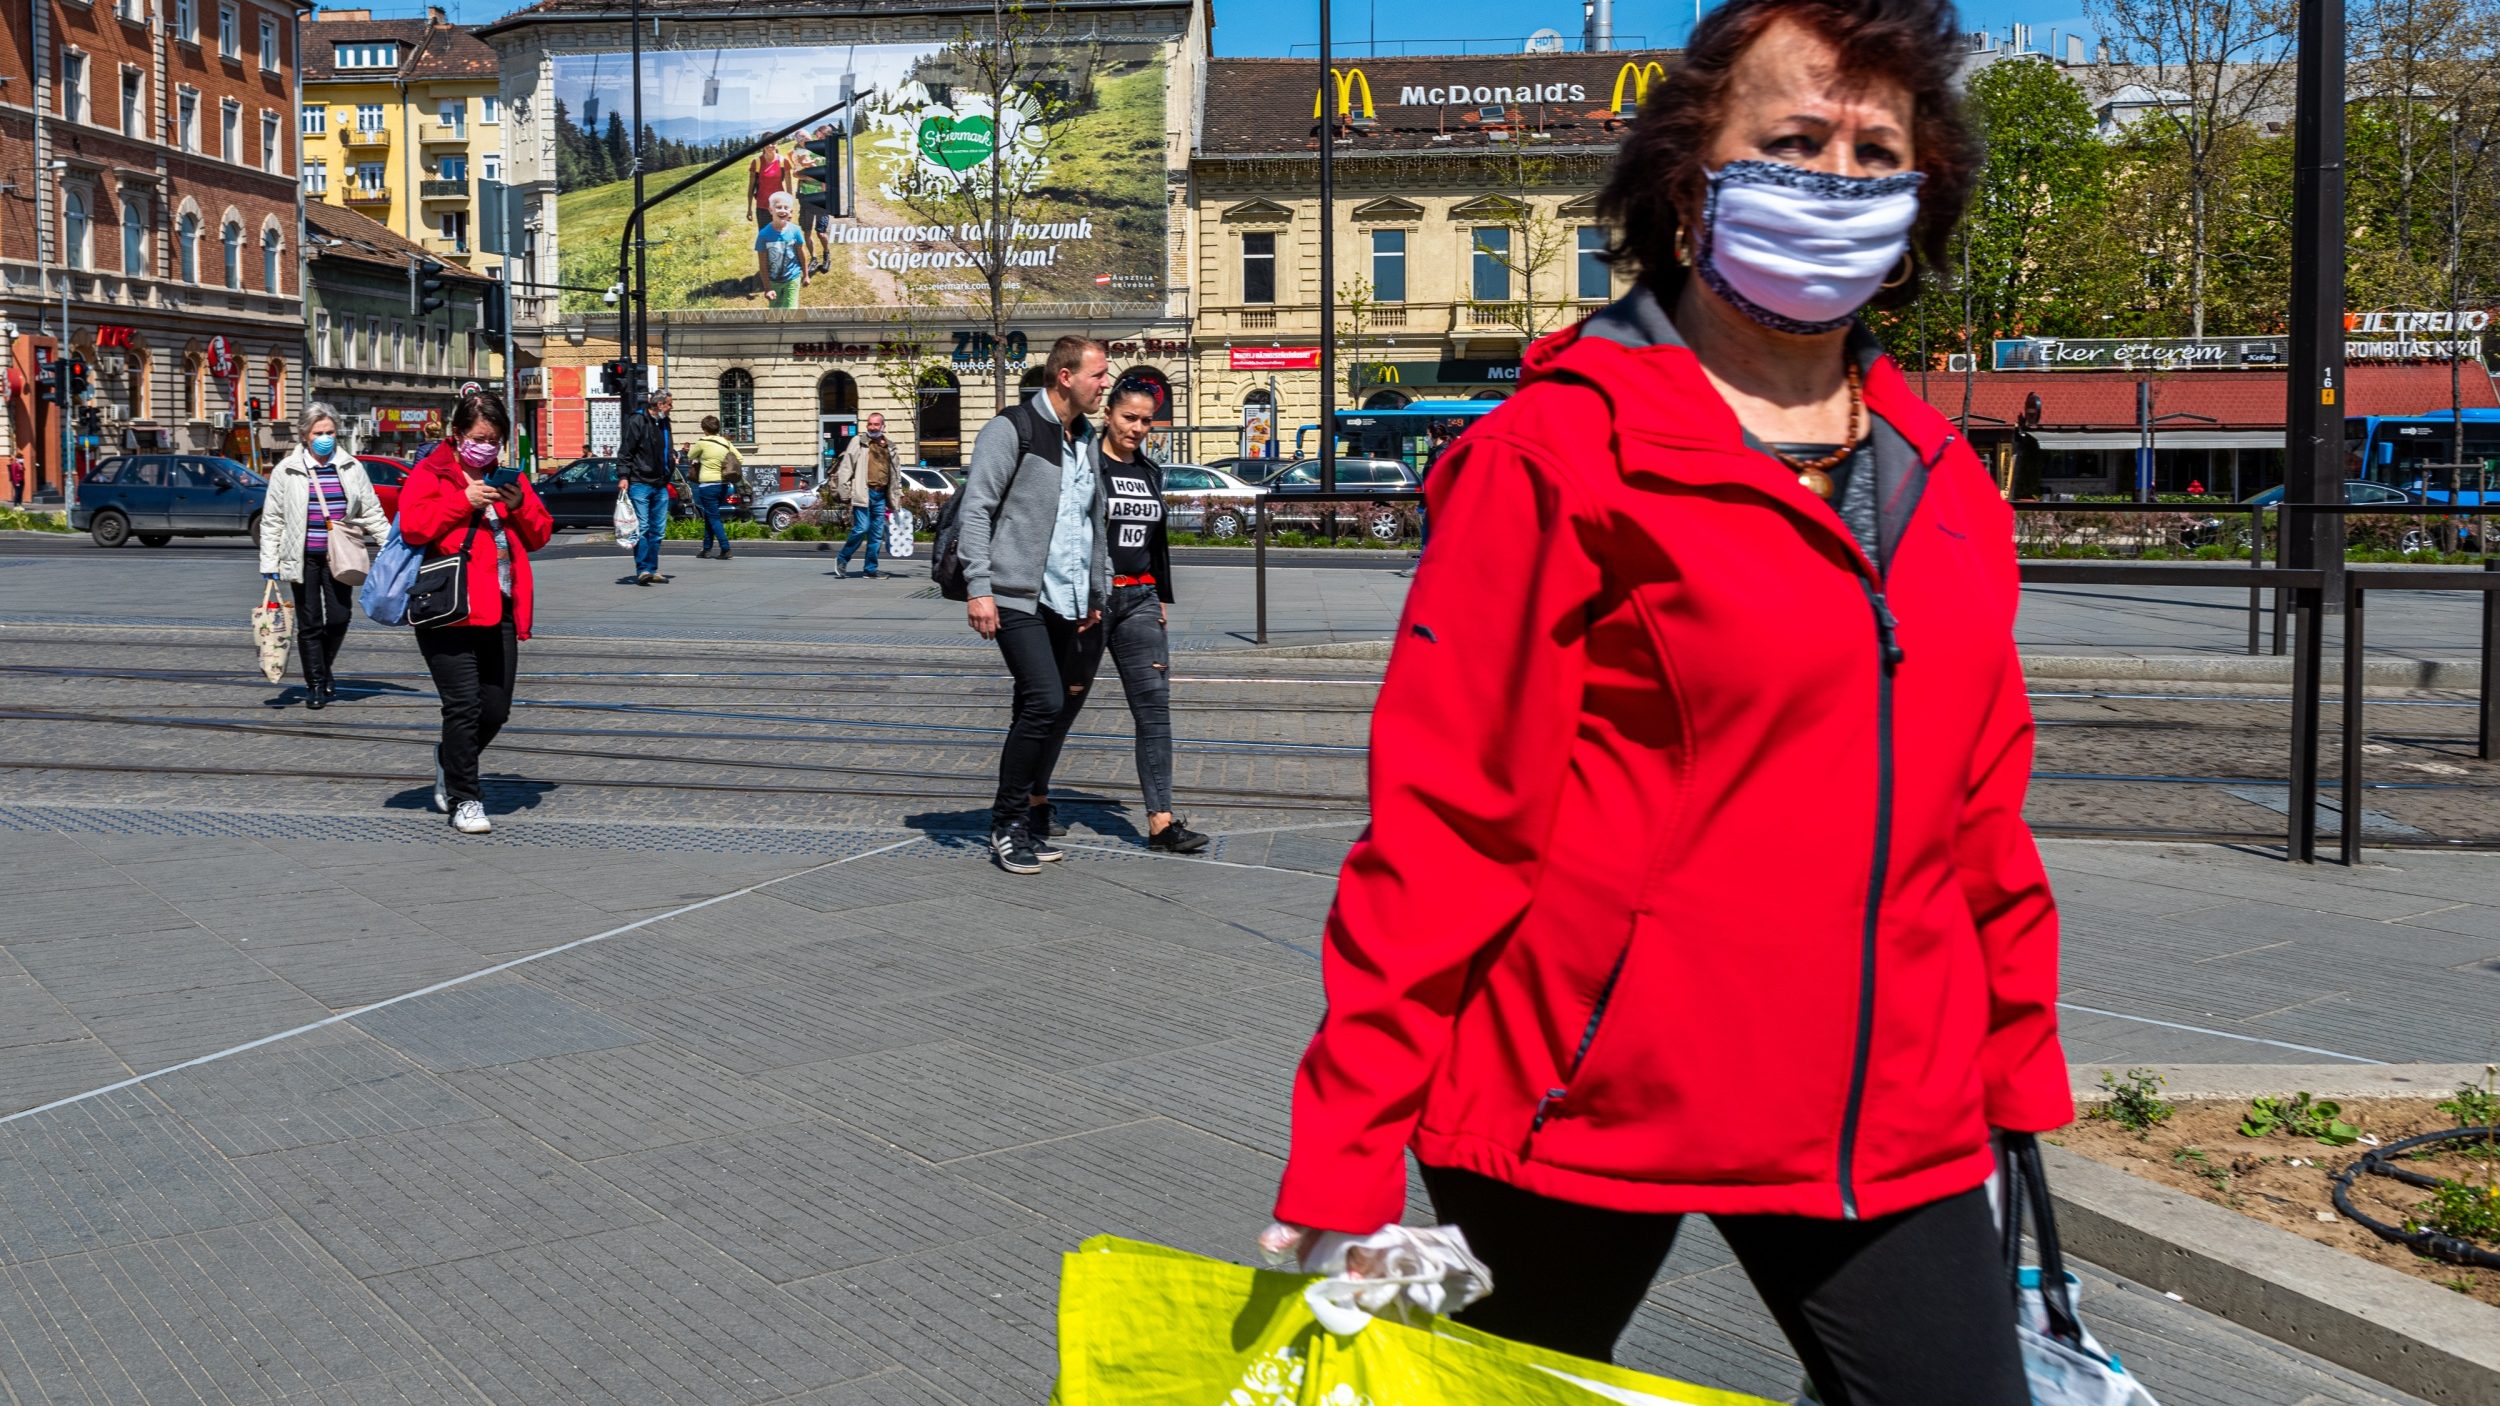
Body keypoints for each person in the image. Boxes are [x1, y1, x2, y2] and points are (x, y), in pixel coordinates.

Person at [1265, 1, 2067, 1401]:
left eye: (1878, 150)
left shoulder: (1947, 486)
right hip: (1577, 1101)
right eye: (1795, 139)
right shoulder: (1559, 454)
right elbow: (1451, 819)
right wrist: (1343, 1141)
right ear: (1691, 182)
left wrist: (2017, 1077)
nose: (1838, 179)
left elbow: (1980, 813)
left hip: (1889, 1118)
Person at [956, 335, 1112, 875]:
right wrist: (979, 587)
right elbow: (977, 510)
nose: (1104, 384)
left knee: (1040, 707)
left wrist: (1096, 591)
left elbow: (1093, 521)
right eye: (1098, 374)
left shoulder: (1086, 437)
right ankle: (1007, 823)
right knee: (1045, 701)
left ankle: (1022, 820)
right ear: (1065, 377)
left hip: (1068, 598)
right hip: (1014, 594)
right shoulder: (1012, 429)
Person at [399, 394, 553, 836]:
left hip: (500, 608)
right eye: (479, 438)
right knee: (463, 705)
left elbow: (540, 534)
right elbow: (414, 525)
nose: (487, 447)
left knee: (496, 709)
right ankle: (466, 798)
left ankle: (450, 757)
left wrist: (519, 503)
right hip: (448, 608)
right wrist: (462, 500)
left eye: (495, 440)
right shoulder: (434, 471)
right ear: (458, 435)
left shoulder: (509, 479)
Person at [1080, 377, 1208, 854]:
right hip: (1091, 602)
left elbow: (1154, 542)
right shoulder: (1085, 464)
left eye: (1145, 420)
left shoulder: (1151, 471)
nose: (1136, 428)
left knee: (1154, 708)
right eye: (1128, 417)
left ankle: (1161, 822)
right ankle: (1033, 799)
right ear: (1108, 415)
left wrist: (1158, 597)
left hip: (1139, 601)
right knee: (1060, 704)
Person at [259, 403, 389, 710]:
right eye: (319, 433)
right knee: (310, 623)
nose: (325, 438)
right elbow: (273, 519)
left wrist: (389, 545)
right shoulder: (286, 470)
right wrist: (269, 563)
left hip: (340, 557)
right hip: (302, 557)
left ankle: (323, 666)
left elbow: (371, 510)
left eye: (330, 432)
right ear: (305, 435)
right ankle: (315, 684)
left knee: (341, 616)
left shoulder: (350, 467)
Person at [616, 389, 673, 586]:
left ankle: (652, 568)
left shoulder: (664, 422)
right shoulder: (637, 421)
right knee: (643, 527)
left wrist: (672, 459)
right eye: (669, 404)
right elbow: (626, 450)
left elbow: (665, 447)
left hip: (660, 482)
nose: (671, 408)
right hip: (640, 481)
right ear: (659, 405)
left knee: (658, 530)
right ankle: (643, 570)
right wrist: (623, 475)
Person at [830, 411, 895, 578]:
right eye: (870, 424)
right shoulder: (858, 442)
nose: (872, 427)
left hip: (881, 495)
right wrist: (844, 492)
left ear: (883, 426)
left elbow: (895, 473)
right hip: (863, 492)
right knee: (861, 528)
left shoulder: (889, 446)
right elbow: (846, 467)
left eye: (876, 424)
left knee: (876, 534)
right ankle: (842, 558)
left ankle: (870, 569)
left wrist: (896, 495)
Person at [686, 414, 743, 561]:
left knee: (713, 517)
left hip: (707, 485)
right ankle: (706, 549)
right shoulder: (725, 442)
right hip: (723, 484)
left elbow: (690, 455)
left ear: (704, 429)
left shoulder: (702, 442)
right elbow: (740, 458)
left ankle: (725, 548)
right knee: (710, 516)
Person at [755, 192, 808, 309]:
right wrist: (768, 288)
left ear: (790, 212)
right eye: (778, 207)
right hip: (774, 281)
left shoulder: (795, 230)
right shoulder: (763, 235)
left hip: (792, 277)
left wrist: (806, 275)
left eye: (786, 207)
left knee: (790, 310)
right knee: (775, 312)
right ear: (770, 210)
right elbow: (762, 265)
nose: (782, 210)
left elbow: (801, 252)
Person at [748, 139, 793, 228]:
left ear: (777, 144)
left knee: (781, 235)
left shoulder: (783, 161)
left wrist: (789, 208)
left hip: (780, 206)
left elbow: (789, 188)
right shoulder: (756, 162)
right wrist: (749, 208)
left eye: (773, 142)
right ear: (762, 145)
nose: (770, 145)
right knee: (765, 236)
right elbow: (751, 188)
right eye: (766, 143)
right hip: (762, 207)